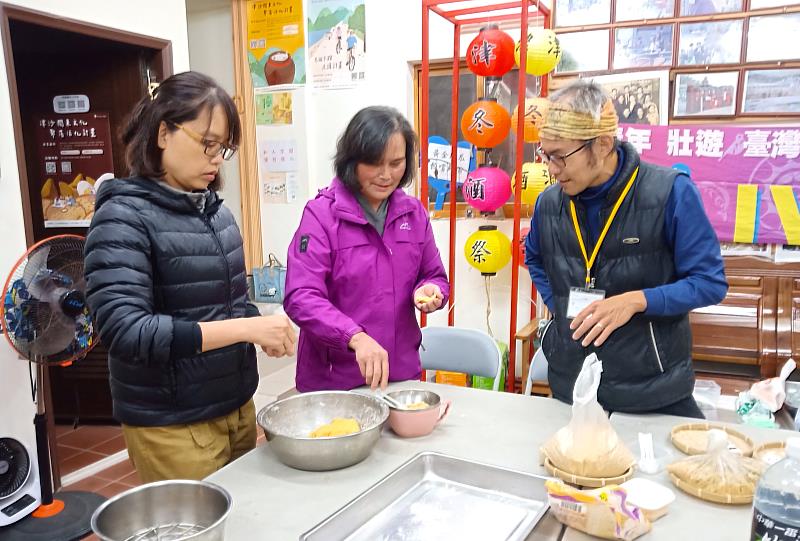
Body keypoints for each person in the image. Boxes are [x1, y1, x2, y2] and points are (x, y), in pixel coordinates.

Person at [84, 71, 297, 482]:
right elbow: (126, 331)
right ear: (163, 133)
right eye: (207, 143)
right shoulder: (122, 218)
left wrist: (259, 329)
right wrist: (246, 327)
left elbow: (227, 305)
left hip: (234, 408)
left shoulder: (216, 212)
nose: (216, 159)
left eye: (224, 148)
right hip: (173, 423)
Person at [525, 80, 727, 418]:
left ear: (603, 144)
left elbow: (709, 282)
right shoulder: (549, 203)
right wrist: (560, 308)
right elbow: (535, 258)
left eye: (560, 156)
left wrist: (637, 300)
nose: (551, 169)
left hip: (651, 389)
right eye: (545, 155)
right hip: (572, 385)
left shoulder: (669, 193)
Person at [284, 106, 449, 392]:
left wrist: (430, 290)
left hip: (398, 374)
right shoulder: (322, 215)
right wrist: (354, 337)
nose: (386, 175)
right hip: (335, 379)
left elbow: (434, 274)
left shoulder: (413, 214)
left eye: (396, 163)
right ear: (352, 161)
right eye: (374, 163)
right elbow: (301, 296)